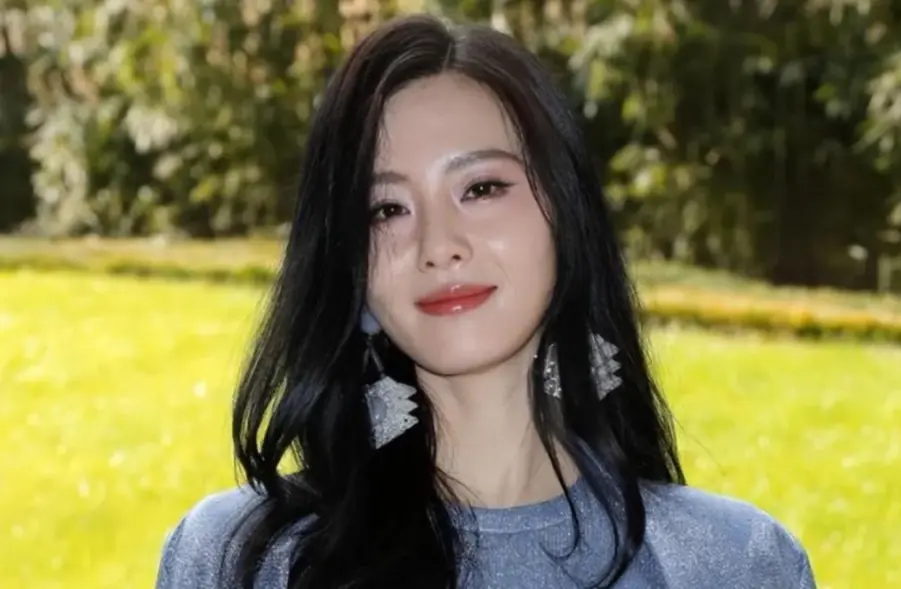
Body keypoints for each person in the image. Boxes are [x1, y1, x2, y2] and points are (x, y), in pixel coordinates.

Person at [155, 13, 815, 589]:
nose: (439, 245)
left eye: (481, 188)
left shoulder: (735, 563)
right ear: (349, 264)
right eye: (387, 208)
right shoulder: (238, 559)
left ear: (566, 215)